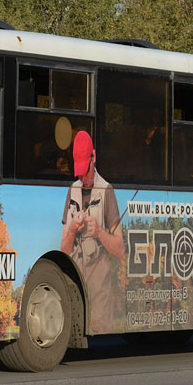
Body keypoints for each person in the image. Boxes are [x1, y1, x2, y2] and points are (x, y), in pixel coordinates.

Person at [60, 131, 126, 333]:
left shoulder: (107, 191)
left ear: (94, 157)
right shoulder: (72, 190)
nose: (82, 177)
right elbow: (62, 252)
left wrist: (98, 232)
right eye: (78, 171)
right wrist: (71, 231)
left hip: (101, 299)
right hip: (75, 290)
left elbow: (120, 249)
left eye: (85, 170)